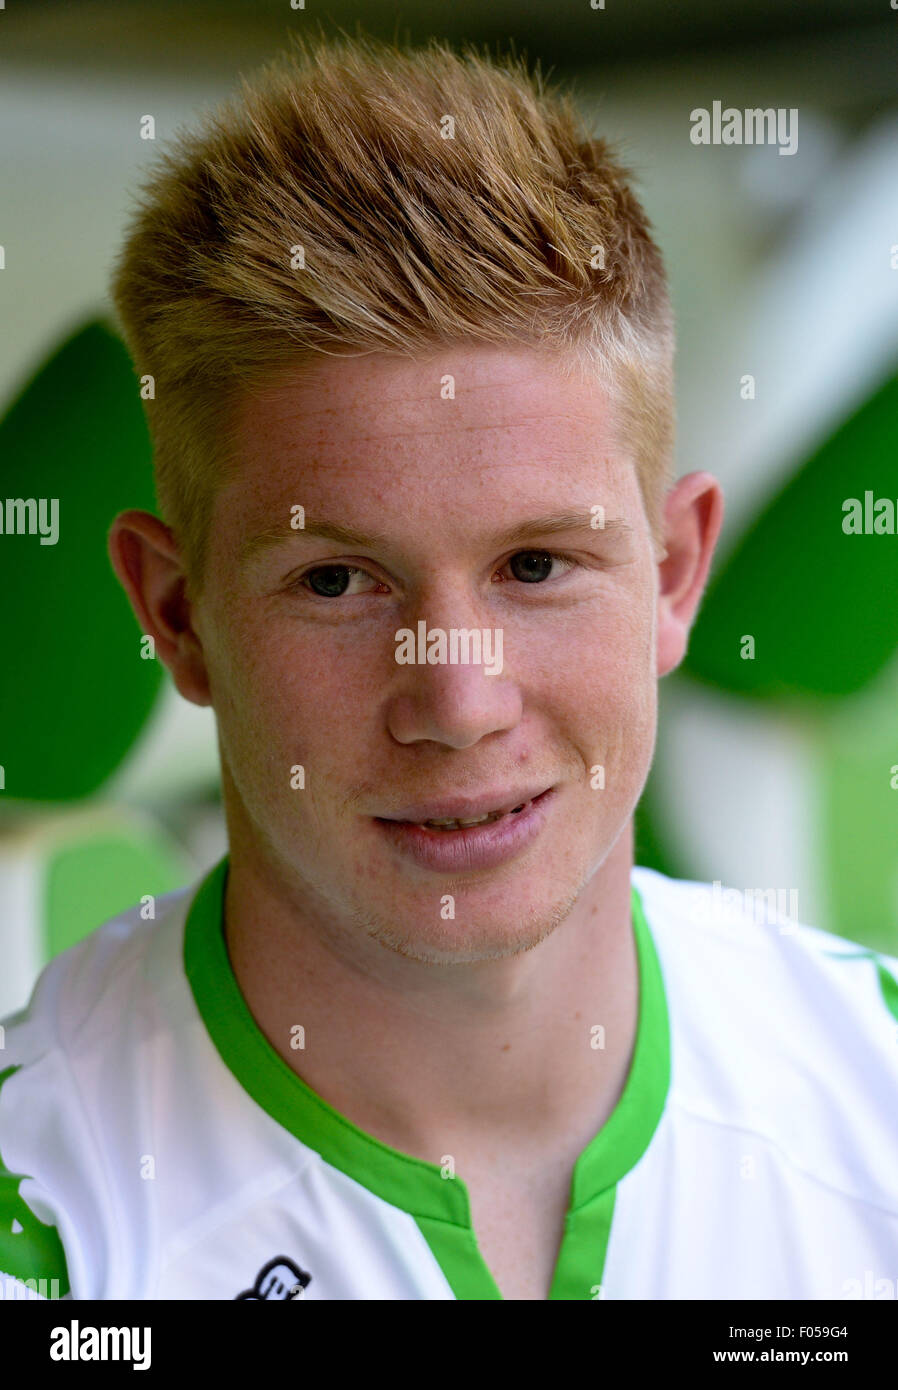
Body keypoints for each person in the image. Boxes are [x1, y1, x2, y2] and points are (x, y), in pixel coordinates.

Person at [1, 32, 896, 1303]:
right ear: (177, 614)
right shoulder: (41, 1217)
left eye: (535, 566)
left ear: (675, 574)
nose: (460, 702)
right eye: (335, 582)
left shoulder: (878, 1086)